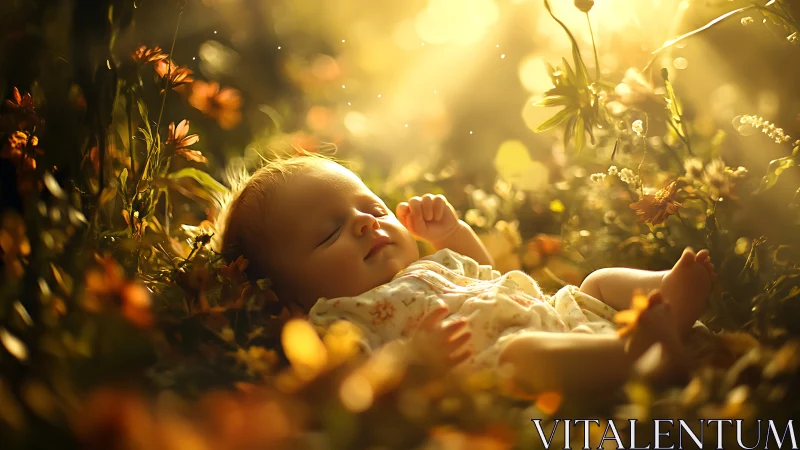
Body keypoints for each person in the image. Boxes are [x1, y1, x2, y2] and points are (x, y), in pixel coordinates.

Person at [216, 154, 716, 395]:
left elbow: (488, 271)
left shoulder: (430, 261)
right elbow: (359, 387)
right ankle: (638, 354)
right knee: (526, 356)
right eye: (329, 235)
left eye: (372, 207)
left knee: (594, 284)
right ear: (290, 296)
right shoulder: (338, 321)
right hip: (504, 361)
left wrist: (453, 234)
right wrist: (414, 358)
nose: (366, 223)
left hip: (556, 317)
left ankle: (667, 299)